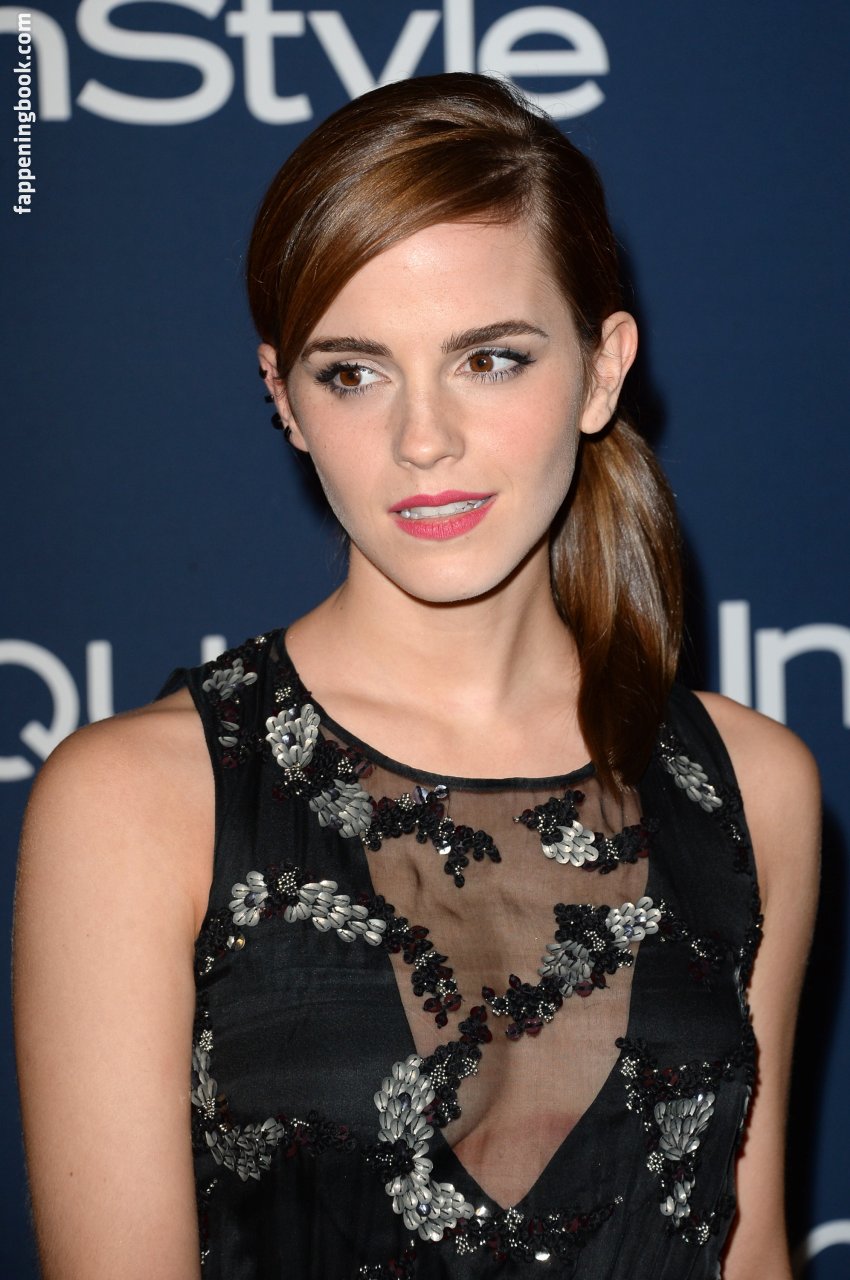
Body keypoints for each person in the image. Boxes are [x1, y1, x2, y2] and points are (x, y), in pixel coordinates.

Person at [14, 73, 819, 1280]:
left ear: (601, 369)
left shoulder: (751, 784)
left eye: (489, 358)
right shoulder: (137, 801)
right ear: (284, 398)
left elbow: (749, 1254)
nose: (423, 438)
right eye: (354, 372)